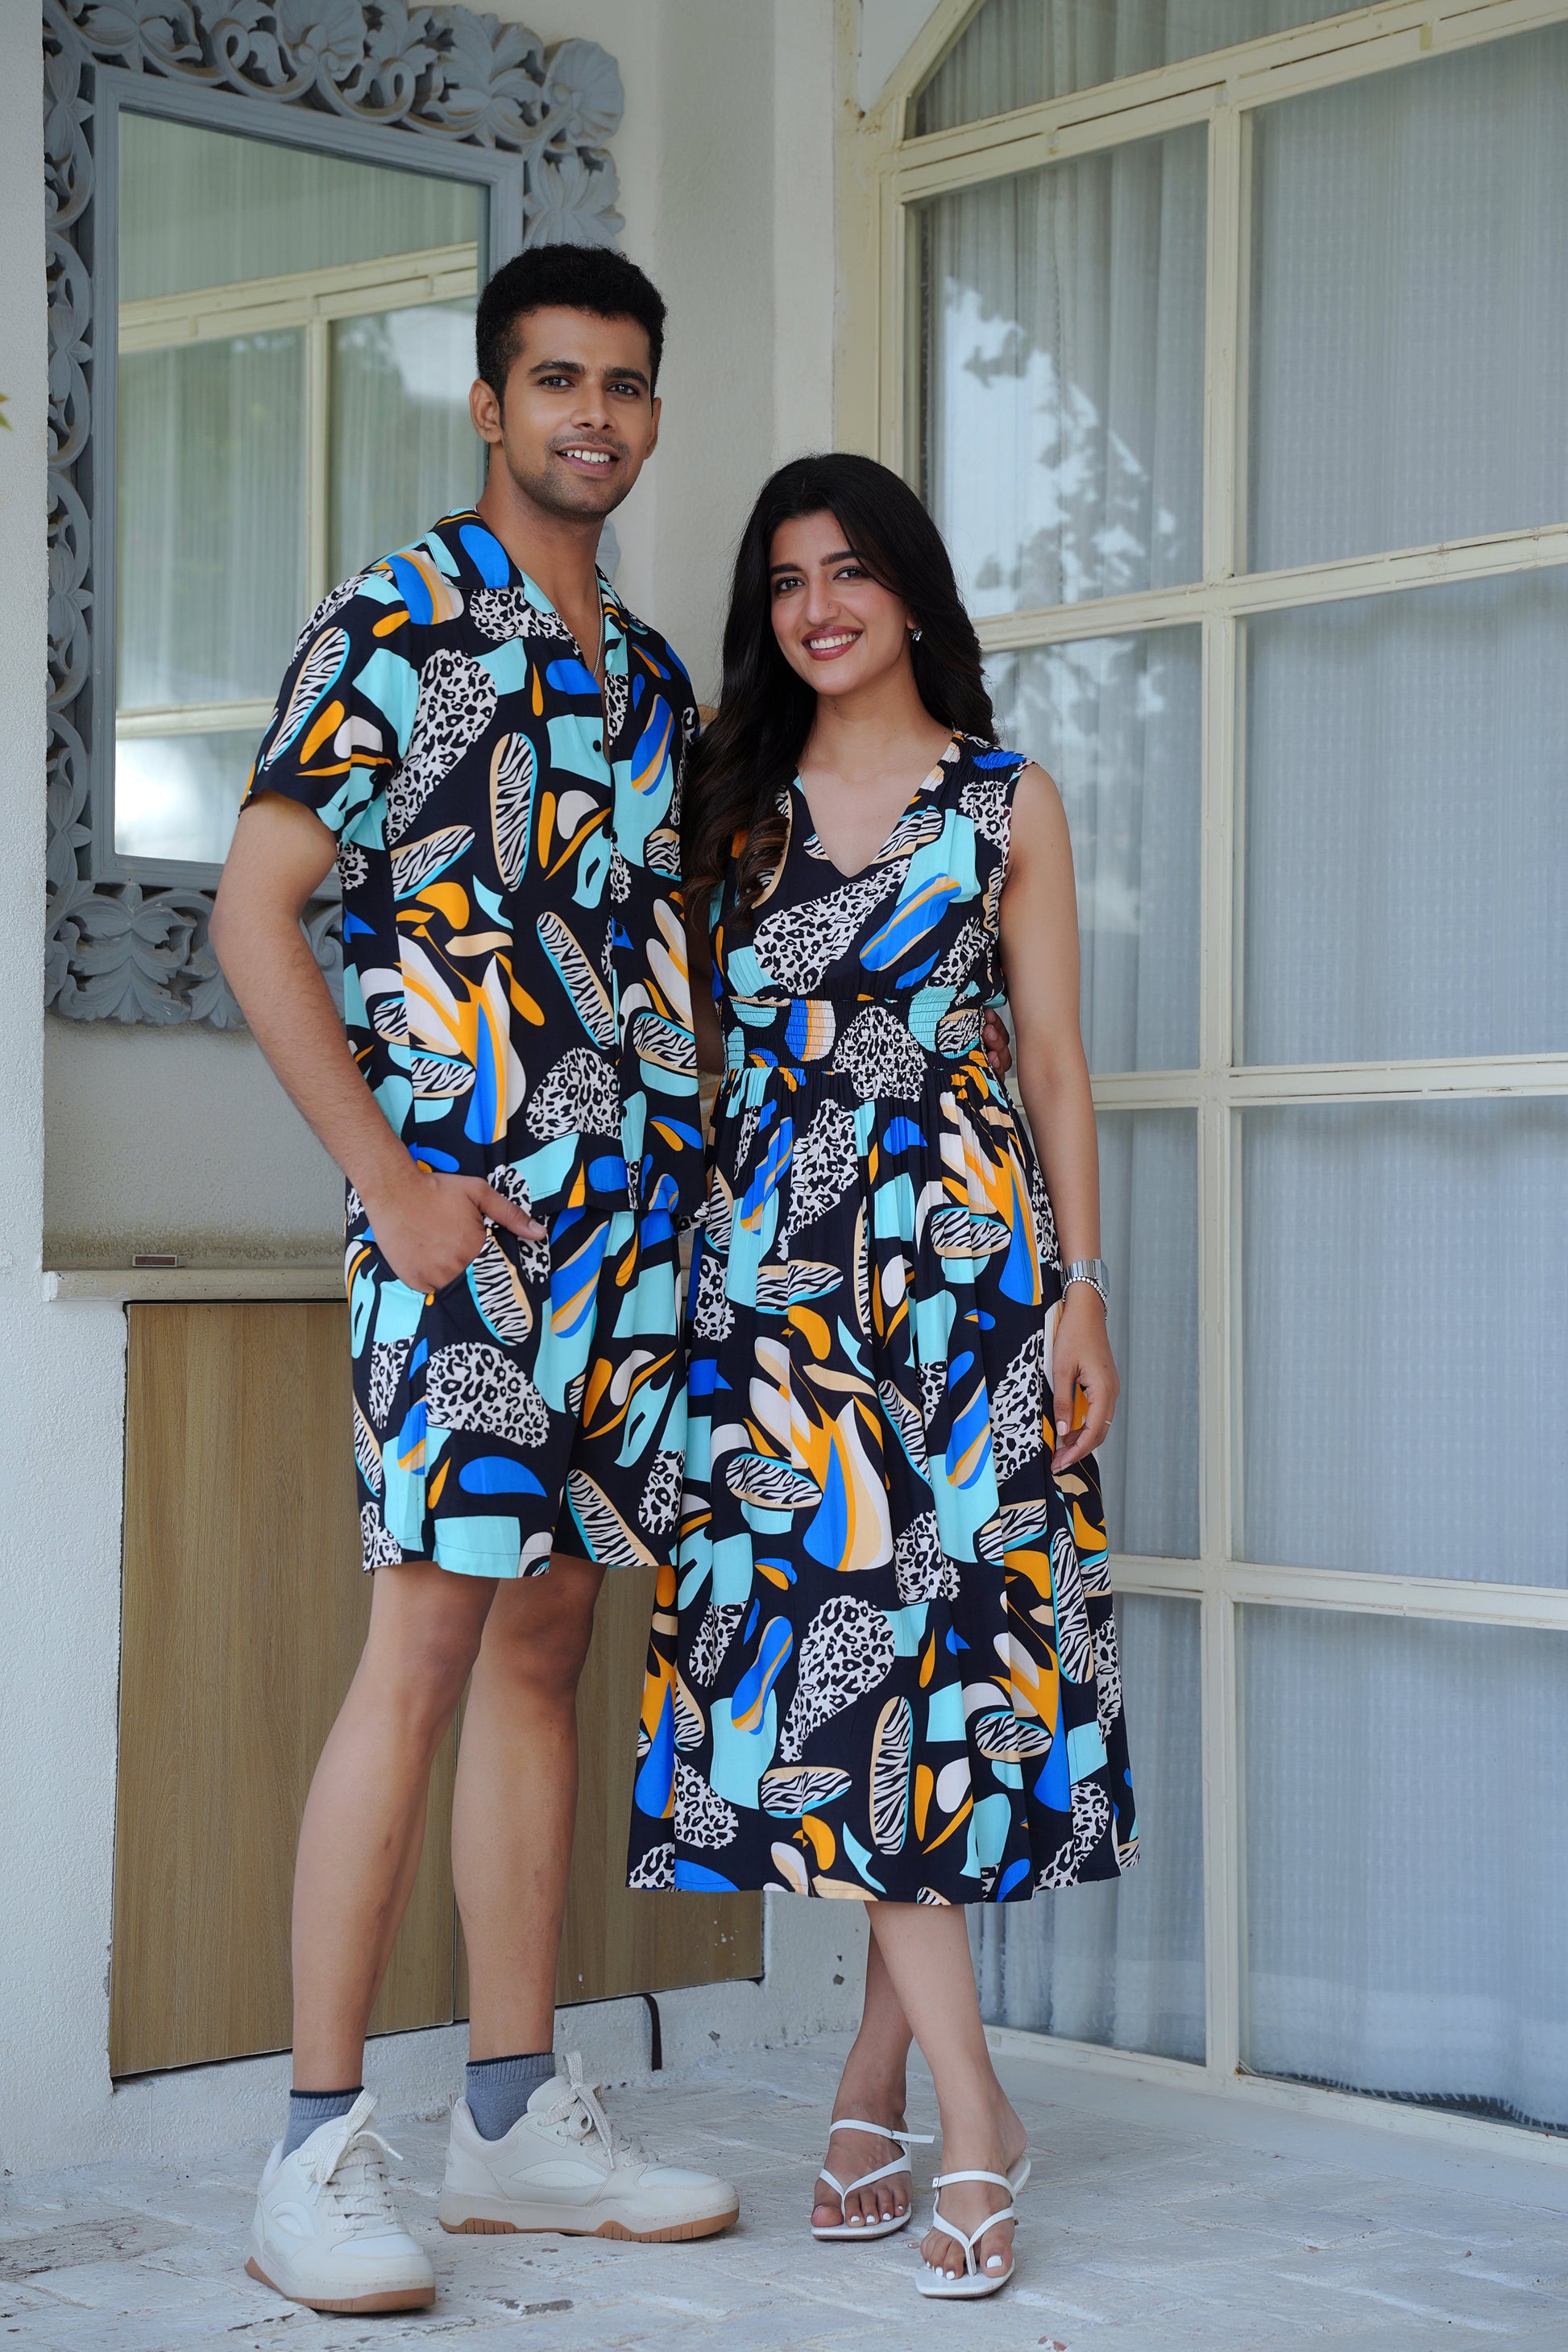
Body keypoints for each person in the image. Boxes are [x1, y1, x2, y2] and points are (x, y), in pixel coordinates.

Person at [210, 245, 741, 2317]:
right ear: (492, 405)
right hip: (459, 1236)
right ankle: (309, 2151)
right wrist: (387, 1176)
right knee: (422, 1648)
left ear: (651, 411)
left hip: (632, 1242)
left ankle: (513, 2118)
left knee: (546, 1646)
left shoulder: (657, 675)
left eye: (624, 383)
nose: (593, 414)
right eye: (557, 380)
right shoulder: (395, 615)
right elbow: (257, 913)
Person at [628, 452, 1137, 2303]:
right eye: (784, 581)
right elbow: (680, 1058)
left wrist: (1081, 1291)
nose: (817, 607)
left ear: (910, 590)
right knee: (837, 1681)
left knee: (937, 1672)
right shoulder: (727, 803)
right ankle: (938, 2092)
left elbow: (1053, 1059)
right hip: (776, 1295)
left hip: (965, 1278)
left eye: (847, 571)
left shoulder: (1007, 800)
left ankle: (927, 2097)